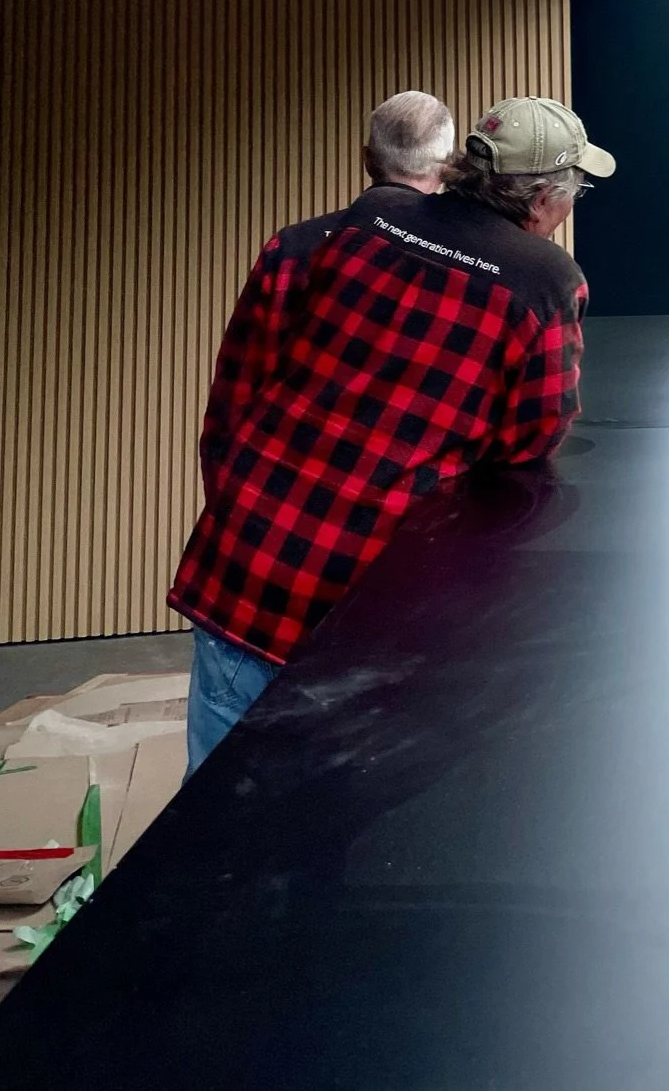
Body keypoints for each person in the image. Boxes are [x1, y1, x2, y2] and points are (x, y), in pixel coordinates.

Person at [170, 92, 613, 773]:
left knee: (210, 819)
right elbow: (532, 436)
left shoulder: (376, 215)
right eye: (575, 190)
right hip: (361, 601)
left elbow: (249, 387)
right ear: (548, 198)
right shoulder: (544, 280)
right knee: (326, 821)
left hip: (248, 566)